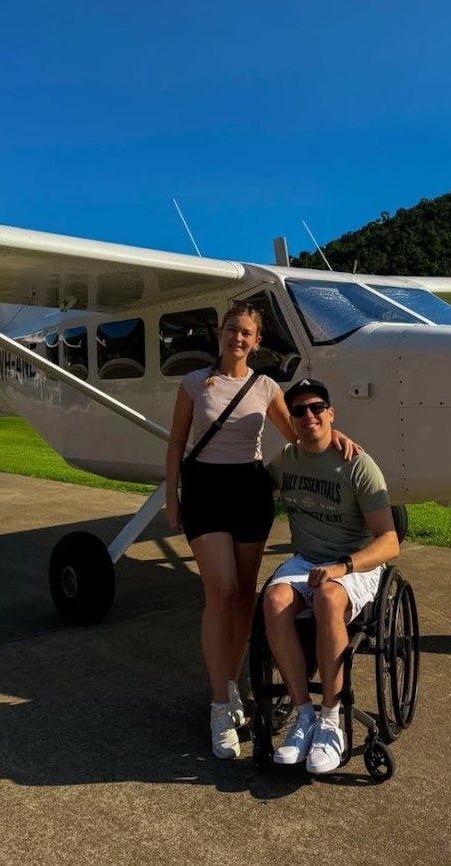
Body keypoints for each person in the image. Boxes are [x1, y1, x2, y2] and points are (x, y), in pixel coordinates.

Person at [164, 303, 358, 760]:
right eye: (232, 329)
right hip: (206, 491)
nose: (238, 337)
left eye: (246, 332)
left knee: (244, 596)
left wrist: (338, 436)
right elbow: (176, 442)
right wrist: (172, 497)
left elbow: (299, 434)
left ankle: (231, 687)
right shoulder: (194, 384)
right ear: (220, 333)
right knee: (222, 591)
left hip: (249, 491)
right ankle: (217, 705)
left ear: (257, 342)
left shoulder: (266, 385)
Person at [263, 378, 400, 774]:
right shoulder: (286, 461)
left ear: (330, 413)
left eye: (317, 407)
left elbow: (389, 542)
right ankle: (303, 714)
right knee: (273, 601)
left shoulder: (358, 464)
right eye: (300, 410)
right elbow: (251, 486)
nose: (309, 415)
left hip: (353, 562)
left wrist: (344, 567)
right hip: (306, 560)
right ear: (291, 419)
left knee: (328, 598)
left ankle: (330, 720)